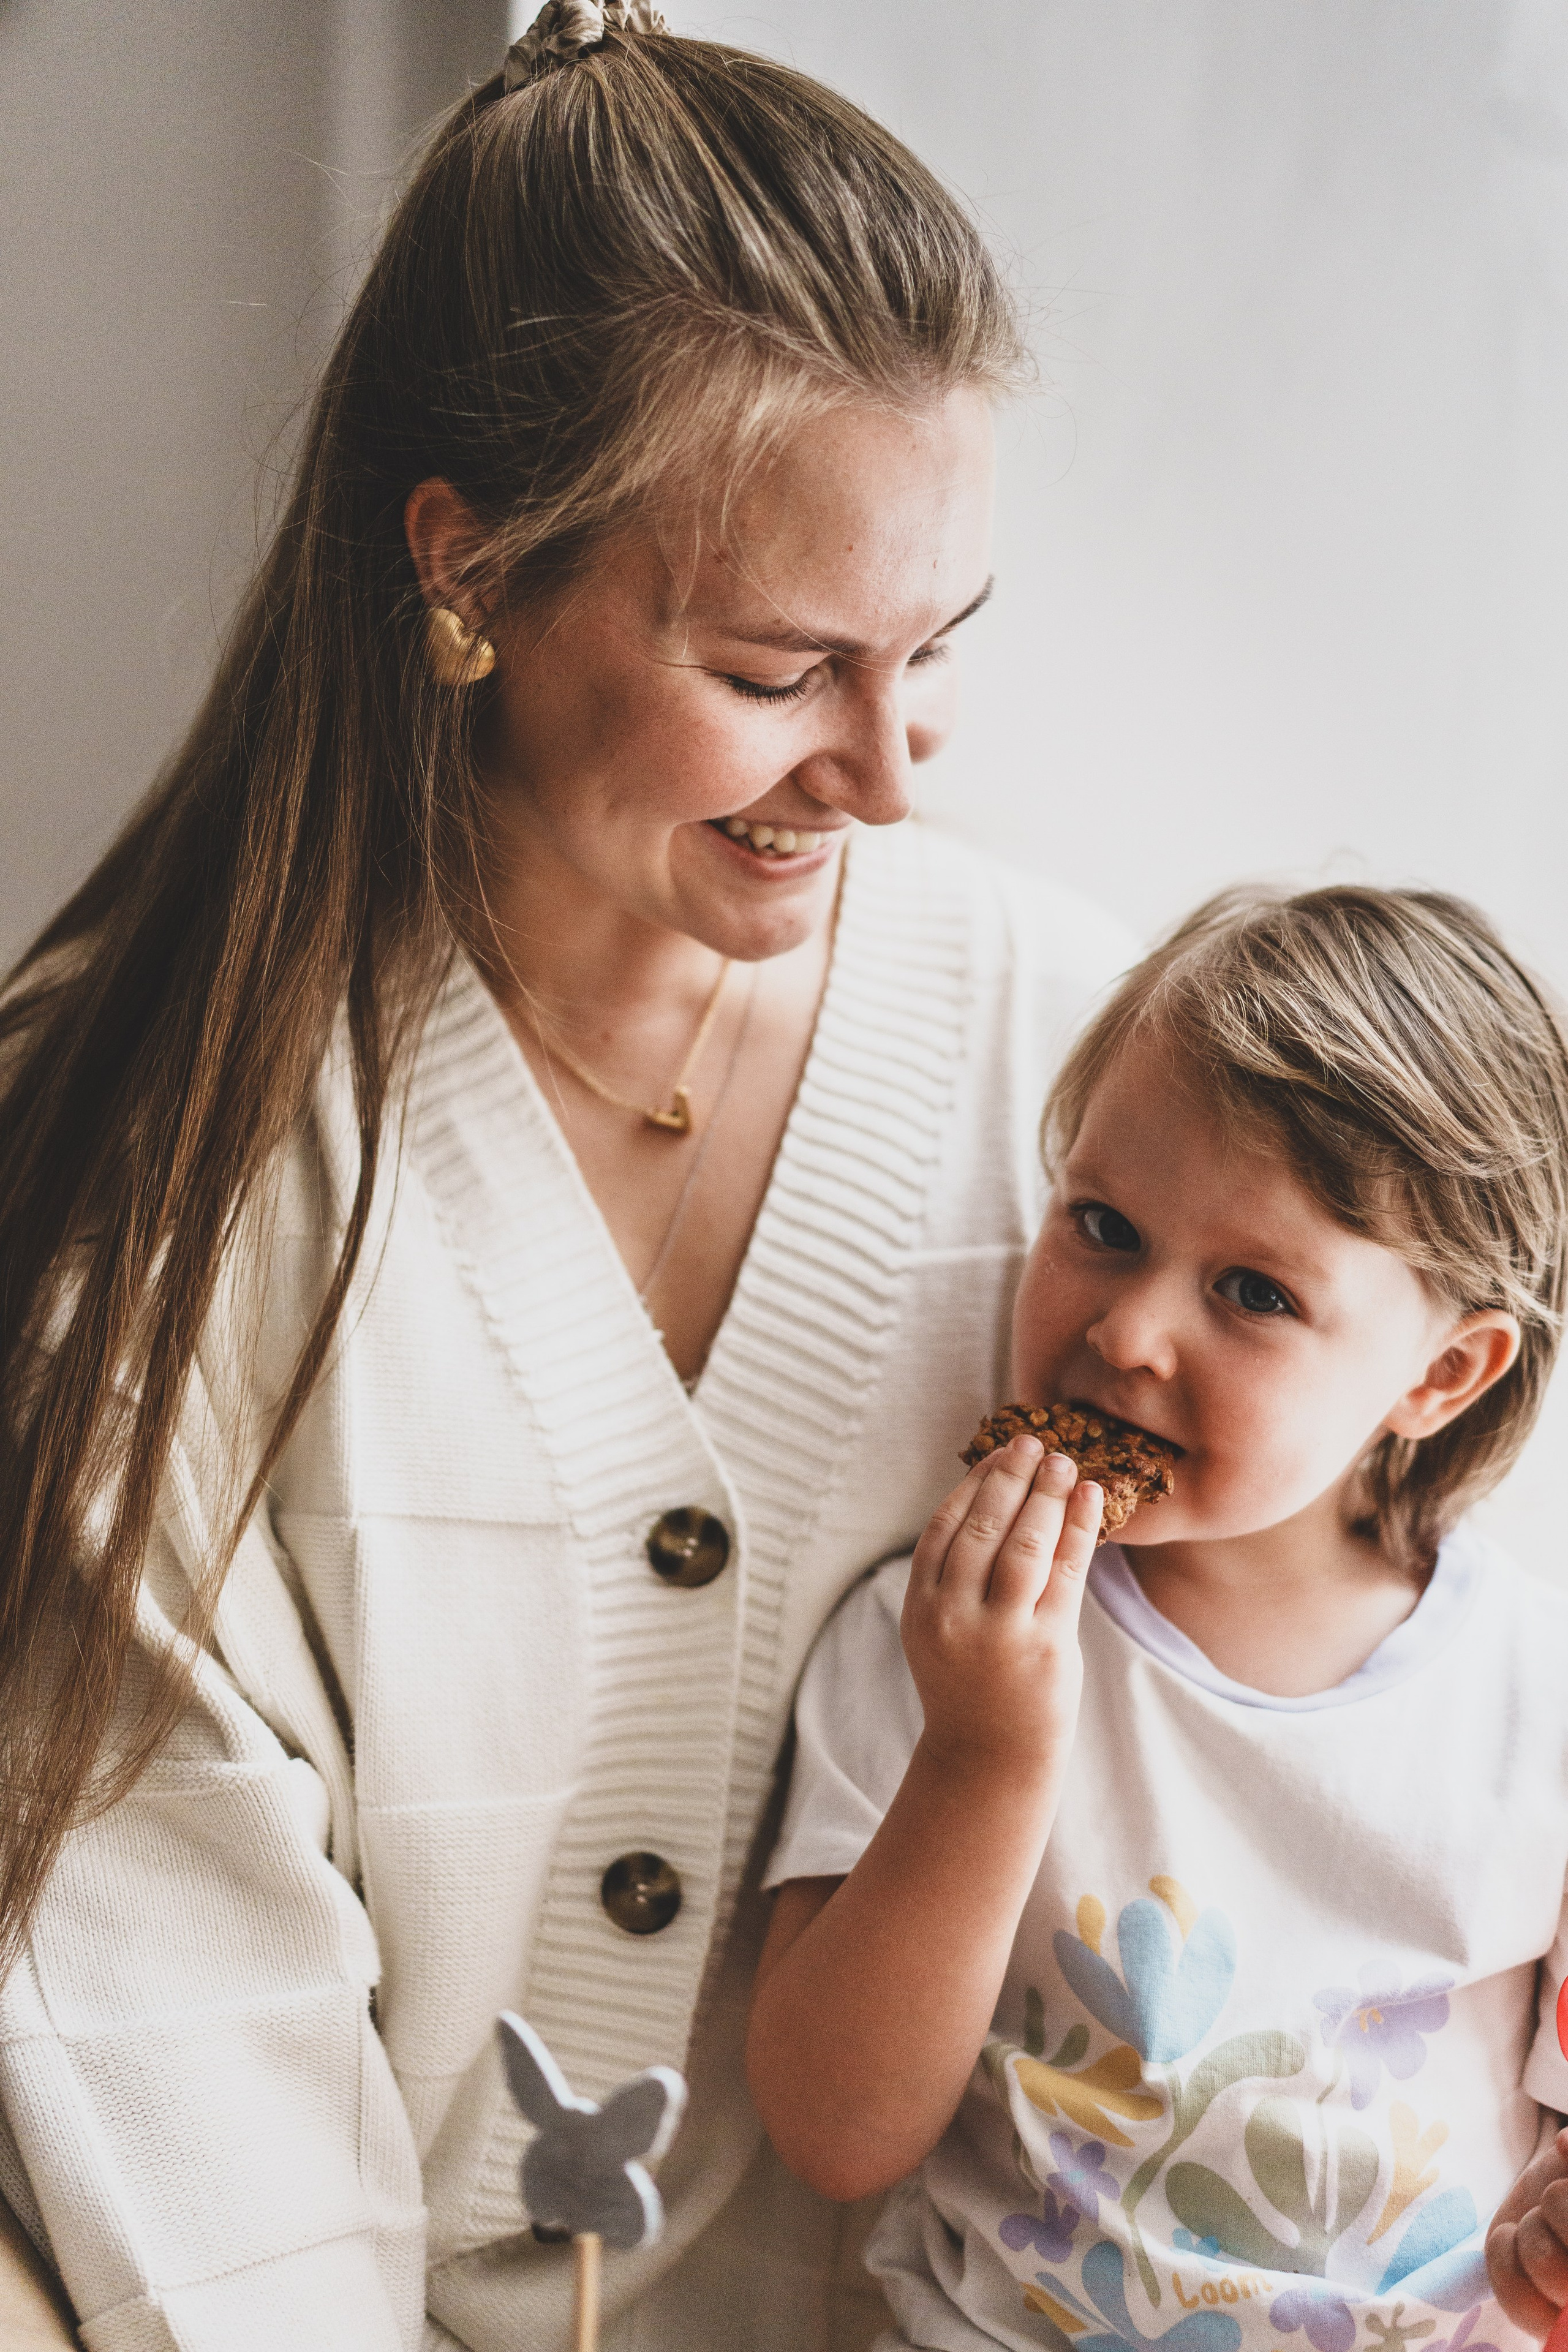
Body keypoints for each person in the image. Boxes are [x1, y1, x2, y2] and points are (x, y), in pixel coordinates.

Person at [0, 6, 1134, 2348]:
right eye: (777, 667)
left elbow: (1373, 1650)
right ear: (471, 573)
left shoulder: (1095, 1092)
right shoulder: (158, 1148)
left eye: (938, 654)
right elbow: (157, 2000)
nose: (890, 774)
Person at [748, 886, 1568, 2352]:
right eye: (1103, 1225)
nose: (1124, 1333)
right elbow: (832, 2131)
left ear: (1437, 1379)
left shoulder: (1535, 1694)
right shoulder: (940, 1634)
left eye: (1251, 1291)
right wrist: (984, 1754)